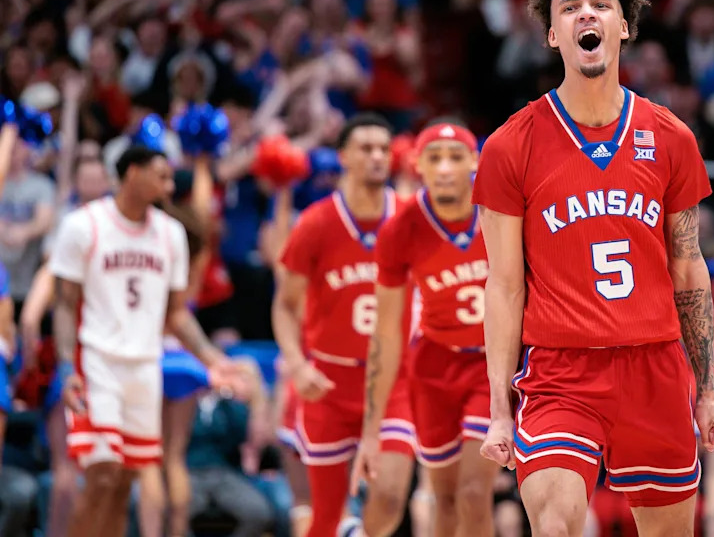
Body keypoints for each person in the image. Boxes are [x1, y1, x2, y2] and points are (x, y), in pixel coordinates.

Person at [472, 0, 714, 537]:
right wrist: (495, 410)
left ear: (625, 27)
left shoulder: (670, 136)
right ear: (551, 35)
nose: (584, 15)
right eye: (569, 8)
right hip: (560, 371)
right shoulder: (510, 146)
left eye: (599, 5)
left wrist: (708, 390)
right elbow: (505, 284)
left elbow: (689, 269)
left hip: (656, 366)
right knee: (556, 526)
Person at [48, 145, 247, 537]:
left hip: (145, 366)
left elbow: (175, 313)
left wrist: (210, 357)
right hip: (97, 362)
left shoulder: (171, 234)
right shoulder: (83, 225)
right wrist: (67, 366)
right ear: (132, 173)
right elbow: (65, 305)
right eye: (161, 175)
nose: (169, 184)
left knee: (124, 481)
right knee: (101, 473)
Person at [272, 114, 416, 537]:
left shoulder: (410, 218)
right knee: (325, 518)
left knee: (390, 496)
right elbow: (284, 306)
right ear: (344, 157)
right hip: (329, 381)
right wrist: (298, 366)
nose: (376, 157)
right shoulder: (315, 224)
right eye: (366, 148)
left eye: (383, 149)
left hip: (393, 380)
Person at [353, 119, 498, 536]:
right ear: (419, 165)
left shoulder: (500, 212)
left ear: (475, 160)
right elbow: (386, 331)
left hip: (491, 367)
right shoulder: (400, 231)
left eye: (456, 157)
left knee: (474, 494)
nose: (447, 167)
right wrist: (372, 427)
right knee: (445, 499)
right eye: (435, 158)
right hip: (433, 368)